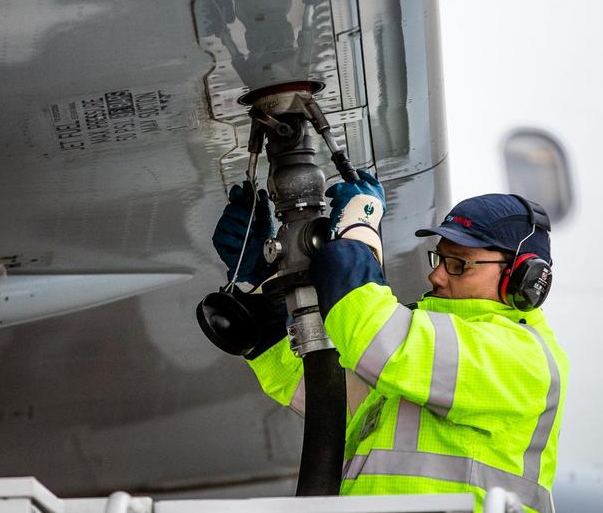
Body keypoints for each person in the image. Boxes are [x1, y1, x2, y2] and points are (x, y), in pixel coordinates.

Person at [211, 171, 568, 512]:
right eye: (440, 258)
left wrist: (358, 231)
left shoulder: (523, 357)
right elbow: (326, 396)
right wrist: (265, 288)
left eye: (459, 265)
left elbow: (380, 342)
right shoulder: (425, 363)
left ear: (523, 277)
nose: (436, 274)